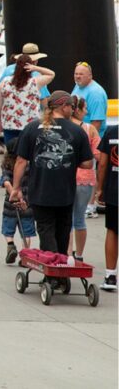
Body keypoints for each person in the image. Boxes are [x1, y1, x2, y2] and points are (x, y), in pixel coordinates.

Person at [11, 91, 94, 257]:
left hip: (40, 190)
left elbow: (21, 161)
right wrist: (69, 159)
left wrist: (16, 188)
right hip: (66, 191)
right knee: (63, 230)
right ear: (64, 107)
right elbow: (88, 163)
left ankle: (53, 271)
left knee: (45, 228)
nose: (73, 110)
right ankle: (60, 267)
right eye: (71, 107)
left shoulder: (32, 127)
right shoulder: (77, 131)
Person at [0, 55, 55, 145]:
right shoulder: (35, 82)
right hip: (31, 124)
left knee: (11, 151)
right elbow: (51, 74)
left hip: (9, 123)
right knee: (28, 152)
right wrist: (35, 68)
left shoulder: (5, 82)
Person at [69, 97, 100, 262]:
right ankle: (79, 256)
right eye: (85, 108)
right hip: (85, 179)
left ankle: (66, 254)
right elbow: (98, 154)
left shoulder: (63, 126)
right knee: (79, 219)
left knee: (66, 218)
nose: (87, 112)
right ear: (78, 110)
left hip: (65, 177)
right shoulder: (89, 129)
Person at [1, 139, 36, 263]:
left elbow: (5, 181)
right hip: (27, 203)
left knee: (8, 227)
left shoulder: (7, 165)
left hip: (10, 204)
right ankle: (25, 254)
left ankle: (10, 244)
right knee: (26, 230)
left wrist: (13, 193)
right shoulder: (28, 164)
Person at [93, 125, 117, 291]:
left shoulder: (112, 132)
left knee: (112, 231)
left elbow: (102, 164)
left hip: (114, 190)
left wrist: (99, 188)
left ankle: (110, 276)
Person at [71, 62, 108, 132]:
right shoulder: (78, 85)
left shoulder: (96, 94)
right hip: (77, 133)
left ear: (90, 76)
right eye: (76, 74)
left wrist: (88, 140)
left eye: (81, 74)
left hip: (89, 137)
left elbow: (96, 122)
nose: (78, 76)